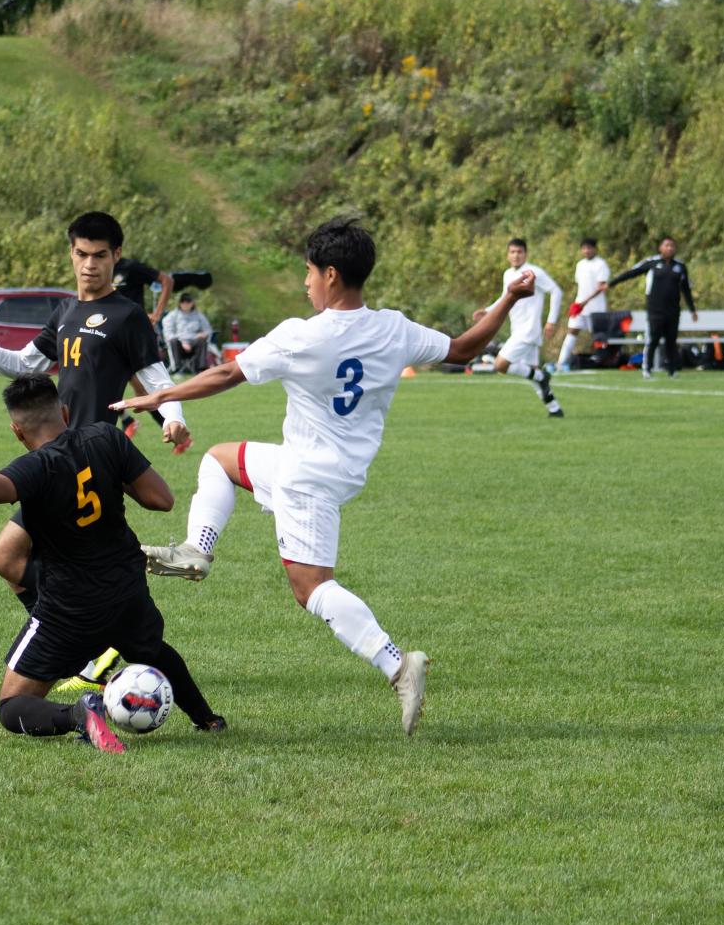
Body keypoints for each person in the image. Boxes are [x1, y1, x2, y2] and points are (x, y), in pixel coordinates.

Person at [111, 216, 537, 735]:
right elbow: (466, 347)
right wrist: (508, 299)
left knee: (310, 587)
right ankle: (197, 550)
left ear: (331, 274)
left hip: (307, 478)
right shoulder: (395, 328)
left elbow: (227, 373)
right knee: (220, 459)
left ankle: (397, 664)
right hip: (328, 467)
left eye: (309, 272)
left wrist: (160, 396)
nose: (305, 282)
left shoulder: (301, 336)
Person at [0, 374, 226, 753]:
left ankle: (79, 713)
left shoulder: (36, 468)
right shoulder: (107, 437)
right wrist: (114, 474)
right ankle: (208, 719)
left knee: (11, 707)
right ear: (65, 412)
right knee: (151, 649)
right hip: (128, 591)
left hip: (69, 609)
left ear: (17, 432)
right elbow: (161, 500)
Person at [0, 211, 191, 689]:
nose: (89, 265)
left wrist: (175, 419)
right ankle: (92, 640)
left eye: (100, 256)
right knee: (13, 560)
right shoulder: (65, 312)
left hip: (96, 458)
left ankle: (84, 641)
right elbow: (22, 366)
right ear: (71, 254)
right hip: (56, 459)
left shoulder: (128, 316)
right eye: (81, 254)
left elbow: (156, 379)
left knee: (8, 557)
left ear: (116, 257)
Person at [603, 235, 698, 378]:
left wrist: (692, 310)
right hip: (655, 310)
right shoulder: (652, 263)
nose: (669, 248)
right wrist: (612, 283)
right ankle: (647, 368)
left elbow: (686, 290)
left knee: (671, 340)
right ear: (661, 248)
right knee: (653, 339)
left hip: (673, 310)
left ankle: (672, 370)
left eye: (672, 246)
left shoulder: (680, 267)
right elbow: (631, 272)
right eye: (666, 245)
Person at [490, 238, 564, 417]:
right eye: (512, 252)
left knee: (500, 365)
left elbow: (556, 291)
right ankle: (554, 409)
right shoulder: (508, 274)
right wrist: (487, 312)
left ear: (525, 254)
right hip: (518, 330)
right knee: (530, 372)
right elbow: (504, 298)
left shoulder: (533, 272)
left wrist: (551, 320)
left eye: (519, 252)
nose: (516, 255)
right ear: (508, 255)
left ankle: (542, 377)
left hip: (528, 330)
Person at [112, 253, 176, 438]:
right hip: (112, 335)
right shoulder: (99, 269)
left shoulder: (130, 267)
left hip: (134, 335)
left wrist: (157, 313)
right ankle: (129, 421)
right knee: (134, 388)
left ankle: (171, 426)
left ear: (116, 250)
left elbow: (166, 281)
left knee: (141, 389)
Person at [560, 237, 610, 372]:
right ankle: (561, 363)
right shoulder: (580, 264)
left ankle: (601, 362)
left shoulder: (601, 264)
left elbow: (601, 287)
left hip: (596, 308)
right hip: (580, 306)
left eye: (589, 248)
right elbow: (581, 286)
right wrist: (579, 303)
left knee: (597, 336)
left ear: (595, 249)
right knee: (572, 331)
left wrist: (585, 302)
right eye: (584, 248)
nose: (587, 251)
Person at [162, 294, 213, 375]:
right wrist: (183, 343)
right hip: (178, 344)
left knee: (202, 341)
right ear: (179, 303)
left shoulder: (199, 315)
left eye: (188, 301)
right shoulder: (172, 315)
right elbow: (167, 332)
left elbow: (208, 330)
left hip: (194, 343)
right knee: (173, 341)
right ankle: (177, 369)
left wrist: (203, 334)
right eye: (183, 301)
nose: (185, 304)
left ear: (192, 303)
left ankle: (201, 369)